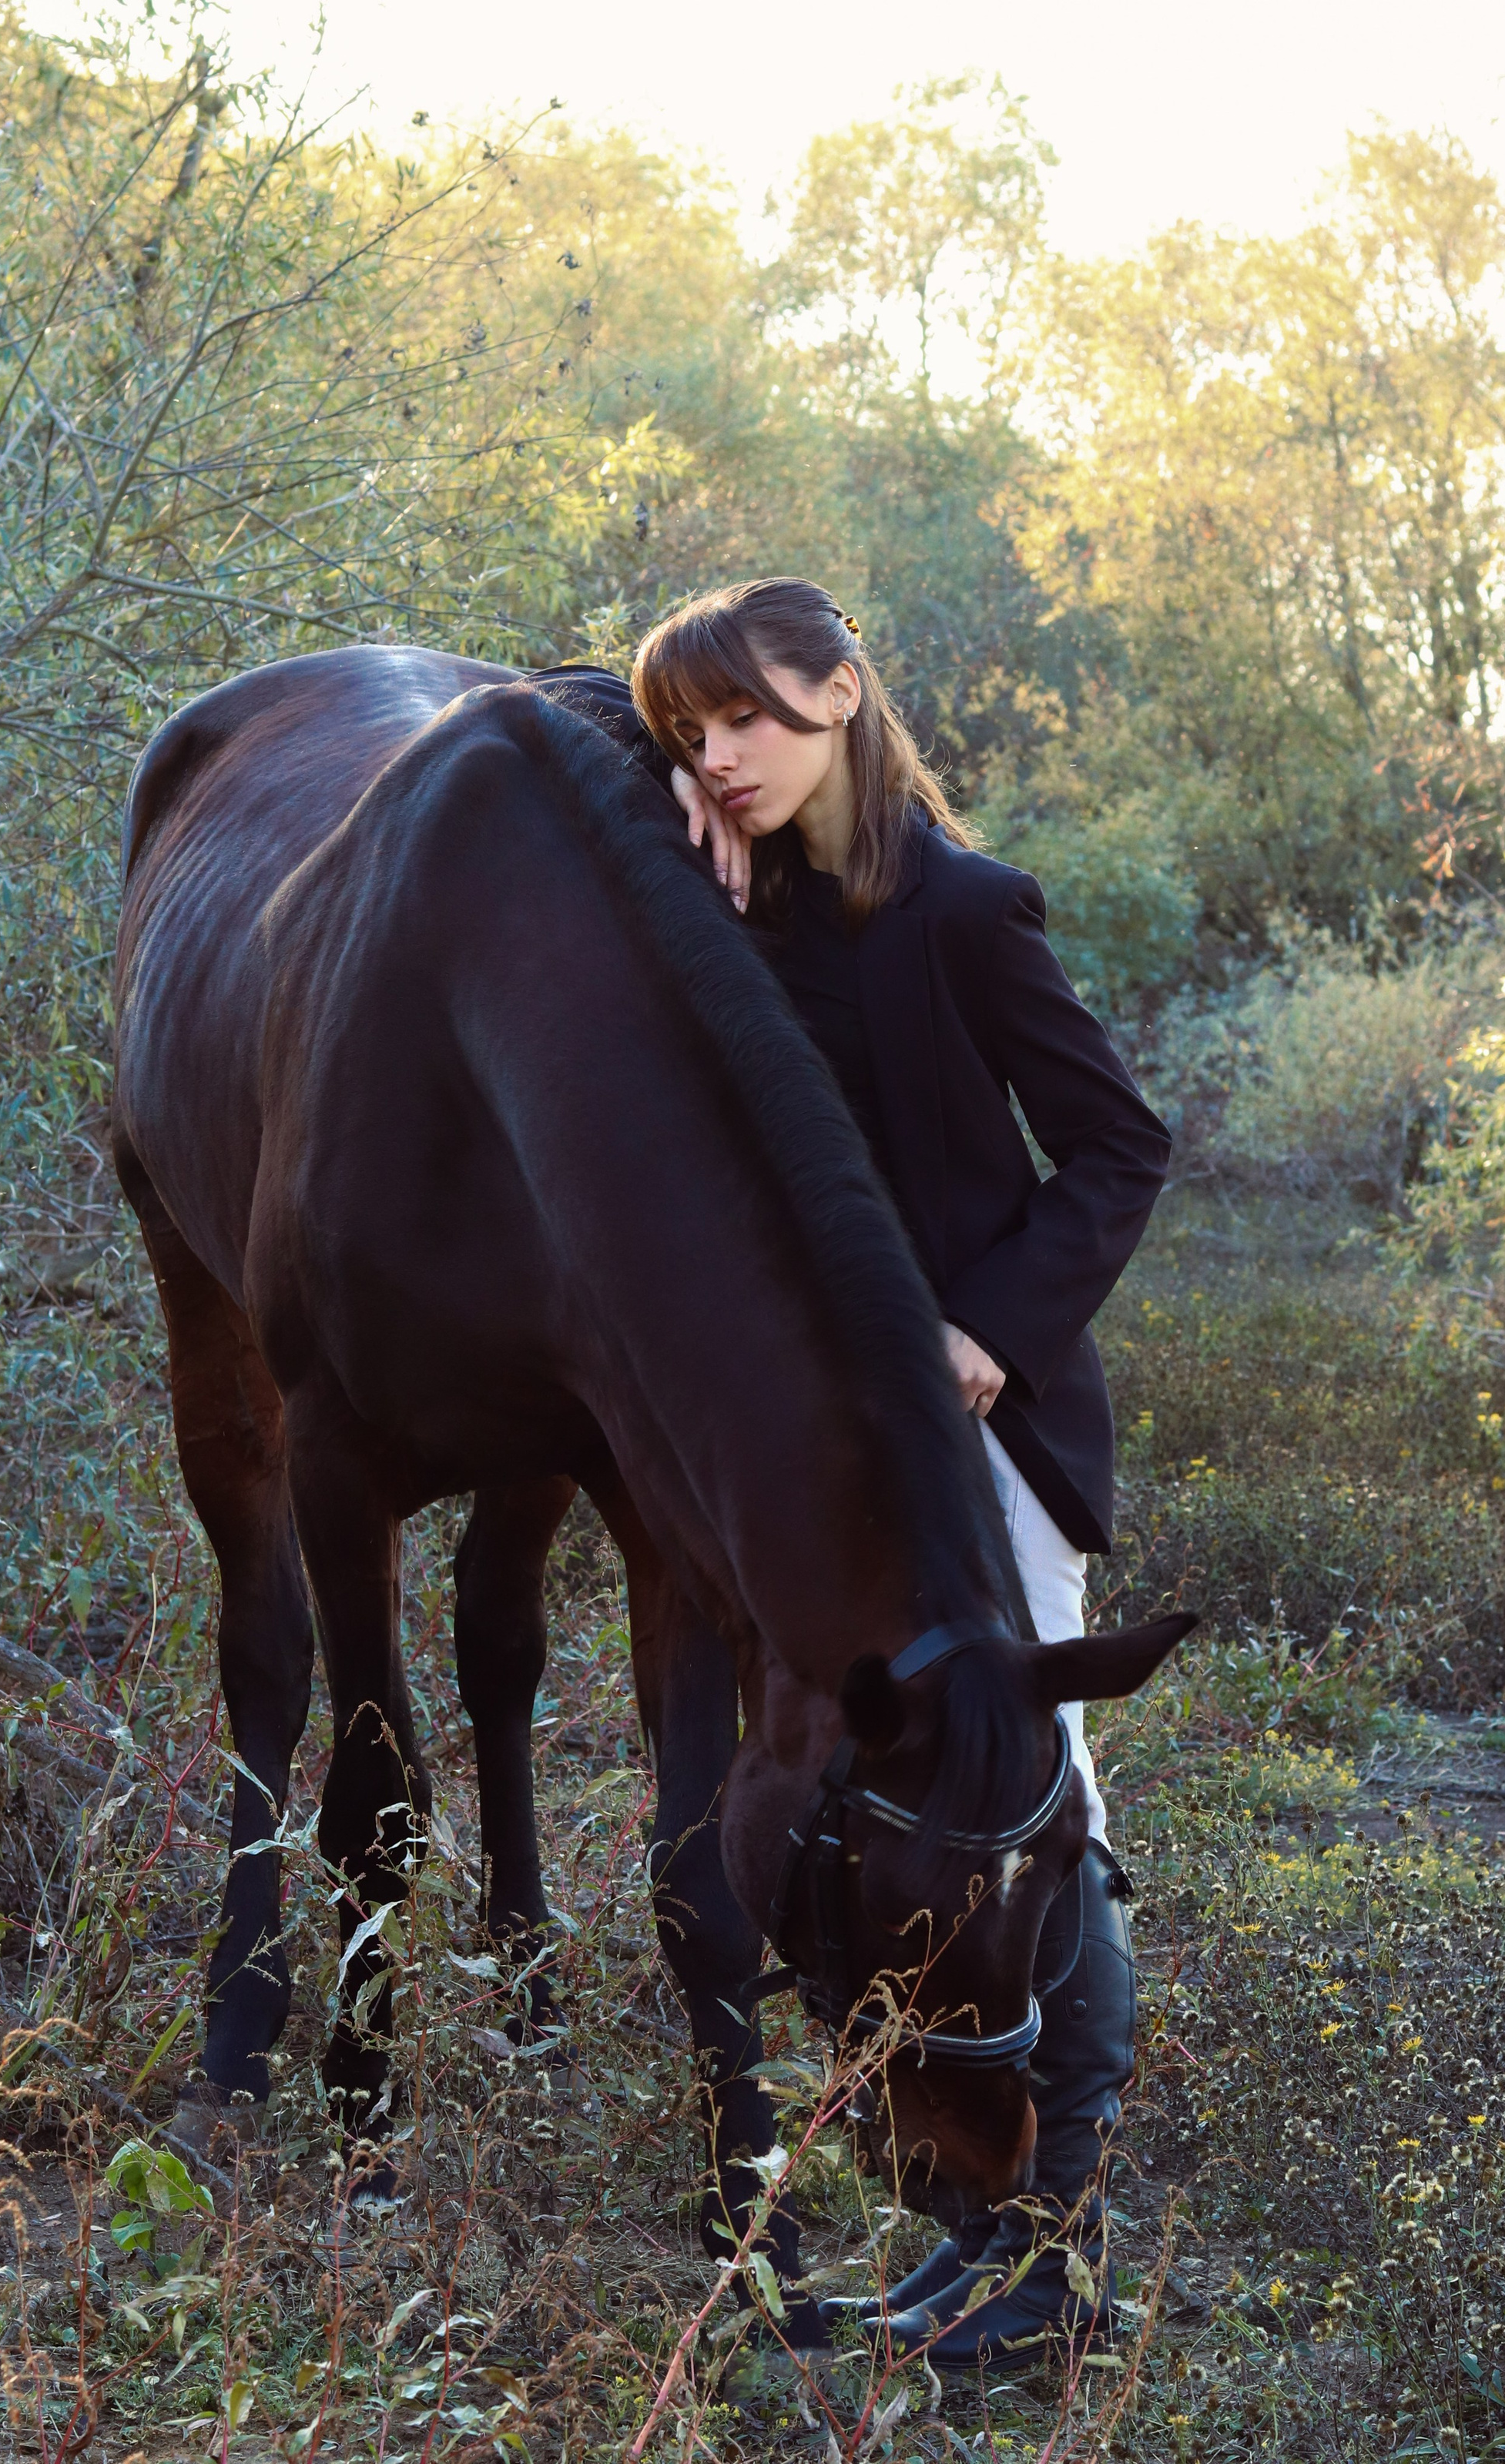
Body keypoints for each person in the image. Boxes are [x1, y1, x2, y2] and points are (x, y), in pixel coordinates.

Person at [540, 578, 1171, 2363]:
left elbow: (1120, 1145)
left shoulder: (962, 910)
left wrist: (990, 1331)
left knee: (1037, 1822)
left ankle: (1052, 2268)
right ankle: (975, 2241)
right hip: (834, 1456)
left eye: (743, 715)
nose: (719, 756)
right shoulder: (743, 914)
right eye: (687, 734)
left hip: (986, 1439)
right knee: (908, 1834)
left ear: (837, 691)